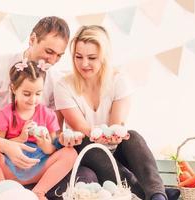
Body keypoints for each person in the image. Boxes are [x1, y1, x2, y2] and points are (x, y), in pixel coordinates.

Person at [0, 16, 97, 200]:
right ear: (32, 39)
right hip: (3, 157)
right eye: (49, 51)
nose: (52, 60)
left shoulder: (56, 81)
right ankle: (5, 189)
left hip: (36, 163)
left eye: (59, 56)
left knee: (86, 176)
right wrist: (9, 145)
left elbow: (53, 142)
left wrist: (55, 141)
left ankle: (24, 192)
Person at [54, 25, 180, 200]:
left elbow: (116, 125)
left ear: (104, 57)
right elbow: (81, 128)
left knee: (133, 136)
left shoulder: (119, 80)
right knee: (87, 143)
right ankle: (152, 194)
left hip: (114, 147)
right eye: (78, 57)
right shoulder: (63, 86)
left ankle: (157, 194)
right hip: (87, 150)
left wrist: (113, 134)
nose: (84, 64)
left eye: (92, 57)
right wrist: (100, 136)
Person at [0, 60, 77, 200]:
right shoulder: (6, 114)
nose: (33, 99)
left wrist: (45, 146)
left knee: (70, 153)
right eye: (27, 94)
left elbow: (52, 149)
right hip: (9, 169)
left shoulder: (48, 114)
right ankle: (3, 189)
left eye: (38, 93)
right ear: (14, 89)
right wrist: (20, 139)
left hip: (38, 167)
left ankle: (38, 192)